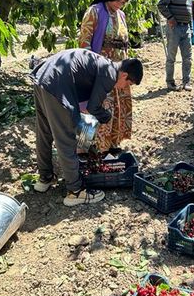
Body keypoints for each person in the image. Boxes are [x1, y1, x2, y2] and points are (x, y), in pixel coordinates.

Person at [30, 49, 143, 206]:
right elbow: (93, 107)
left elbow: (84, 108)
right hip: (56, 85)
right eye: (128, 84)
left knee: (45, 133)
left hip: (43, 78)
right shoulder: (110, 74)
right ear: (124, 75)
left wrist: (87, 133)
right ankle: (75, 192)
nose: (124, 87)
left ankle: (45, 179)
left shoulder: (101, 65)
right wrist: (106, 117)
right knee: (66, 140)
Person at [79, 0, 133, 154]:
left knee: (117, 107)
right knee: (100, 107)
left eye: (123, 2)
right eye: (118, 1)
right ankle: (90, 147)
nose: (120, 5)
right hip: (101, 71)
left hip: (119, 72)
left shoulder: (121, 15)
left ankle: (111, 144)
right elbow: (85, 42)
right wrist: (90, 69)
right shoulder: (94, 12)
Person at [157, 0, 194, 92]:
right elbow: (161, 4)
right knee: (171, 57)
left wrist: (191, 28)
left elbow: (189, 12)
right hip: (174, 29)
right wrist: (170, 17)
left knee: (188, 57)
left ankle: (186, 81)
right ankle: (170, 82)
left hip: (185, 29)